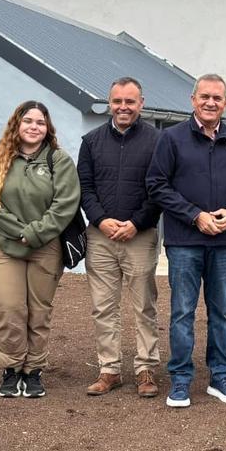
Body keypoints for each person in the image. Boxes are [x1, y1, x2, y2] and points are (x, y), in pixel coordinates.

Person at [146, 74, 226, 408]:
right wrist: (195, 215)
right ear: (193, 99)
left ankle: (221, 377)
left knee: (221, 312)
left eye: (217, 98)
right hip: (184, 241)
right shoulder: (171, 138)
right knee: (182, 312)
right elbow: (157, 184)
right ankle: (181, 380)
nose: (211, 103)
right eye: (205, 97)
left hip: (223, 243)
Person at [0, 101, 81, 398]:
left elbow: (65, 204)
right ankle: (11, 367)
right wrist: (20, 233)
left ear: (48, 128)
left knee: (39, 311)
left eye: (40, 122)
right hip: (7, 246)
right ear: (17, 124)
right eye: (28, 121)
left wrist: (35, 233)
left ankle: (33, 370)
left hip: (46, 247)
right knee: (9, 308)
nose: (34, 127)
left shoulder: (58, 160)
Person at [78, 77, 163, 398]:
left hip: (140, 235)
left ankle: (145, 369)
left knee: (144, 306)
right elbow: (84, 187)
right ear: (109, 103)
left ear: (141, 104)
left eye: (130, 101)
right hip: (101, 237)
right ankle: (109, 369)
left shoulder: (157, 141)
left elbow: (160, 188)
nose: (123, 107)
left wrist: (136, 223)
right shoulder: (91, 142)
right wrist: (101, 220)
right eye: (117, 101)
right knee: (104, 307)